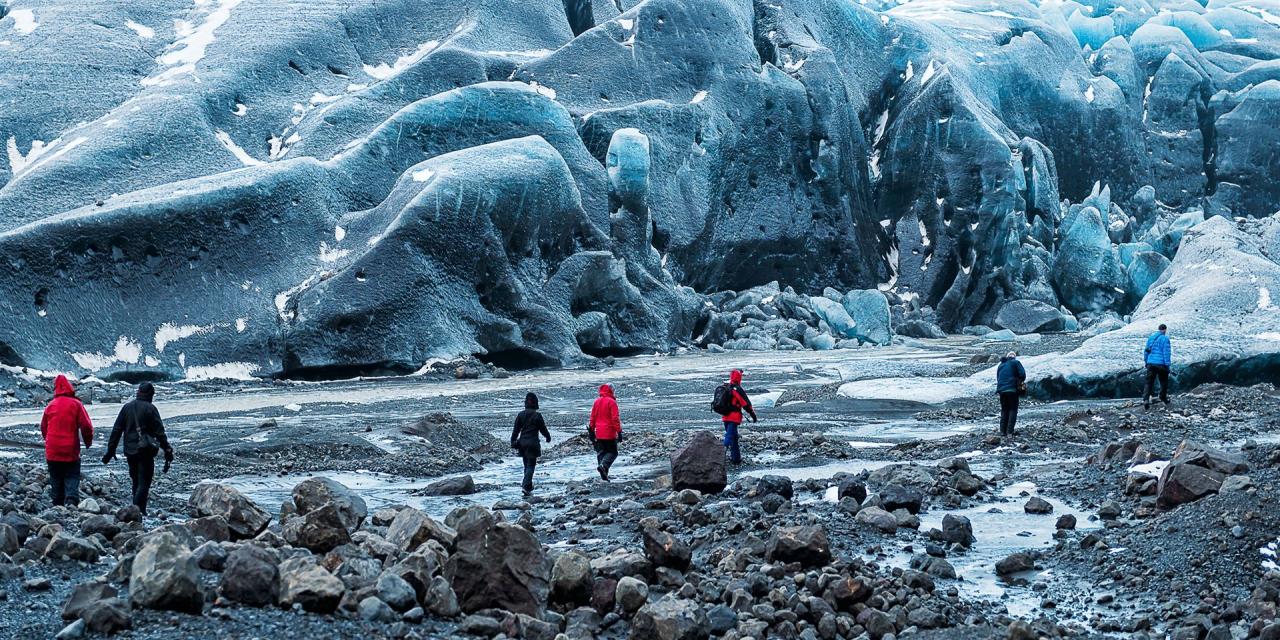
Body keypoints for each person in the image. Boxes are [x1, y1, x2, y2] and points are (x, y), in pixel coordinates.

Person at [102, 382, 173, 515]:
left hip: (130, 451)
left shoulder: (127, 408)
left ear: (138, 392)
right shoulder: (151, 408)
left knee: (136, 481)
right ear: (150, 395)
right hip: (145, 451)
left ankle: (140, 512)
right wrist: (167, 449)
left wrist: (110, 451)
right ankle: (136, 511)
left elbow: (116, 430)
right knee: (144, 482)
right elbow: (160, 432)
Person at [40, 375, 94, 507]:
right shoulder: (76, 404)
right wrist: (88, 441)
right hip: (70, 449)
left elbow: (44, 427)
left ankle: (57, 504)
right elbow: (86, 426)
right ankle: (71, 501)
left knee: (55, 476)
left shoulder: (50, 405)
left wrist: (49, 442)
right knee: (71, 475)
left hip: (53, 449)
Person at [511, 392, 552, 496]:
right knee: (531, 465)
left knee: (526, 465)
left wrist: (513, 441)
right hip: (533, 443)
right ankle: (525, 486)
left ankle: (528, 486)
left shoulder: (520, 415)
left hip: (522, 443)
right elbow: (543, 429)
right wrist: (548, 437)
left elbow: (516, 430)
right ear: (535, 403)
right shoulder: (537, 415)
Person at [721, 369, 757, 465]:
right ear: (739, 378)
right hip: (734, 417)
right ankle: (722, 451)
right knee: (730, 436)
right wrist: (753, 415)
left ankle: (736, 459)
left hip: (725, 416)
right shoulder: (737, 389)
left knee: (734, 437)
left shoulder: (726, 387)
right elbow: (746, 404)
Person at [588, 384, 622, 481]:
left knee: (601, 453)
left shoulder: (597, 402)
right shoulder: (612, 402)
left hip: (599, 432)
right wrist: (619, 431)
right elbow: (615, 419)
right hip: (609, 432)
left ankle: (604, 475)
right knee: (612, 452)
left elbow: (592, 418)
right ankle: (603, 467)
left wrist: (591, 431)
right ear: (611, 391)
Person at [995, 351, 1026, 437]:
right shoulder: (1016, 362)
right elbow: (1022, 374)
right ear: (1014, 357)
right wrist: (1019, 381)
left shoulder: (1001, 365)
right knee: (1013, 409)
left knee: (1004, 409)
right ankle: (1009, 432)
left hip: (1001, 390)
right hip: (1012, 389)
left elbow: (998, 377)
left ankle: (1002, 431)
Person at [1143, 324, 1172, 409]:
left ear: (1158, 329)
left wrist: (1146, 361)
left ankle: (1146, 399)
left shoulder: (1151, 338)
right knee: (1163, 381)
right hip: (1161, 364)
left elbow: (1146, 351)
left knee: (1149, 382)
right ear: (1165, 330)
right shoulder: (1165, 339)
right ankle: (1163, 397)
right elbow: (1166, 353)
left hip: (1151, 363)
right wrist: (1167, 365)